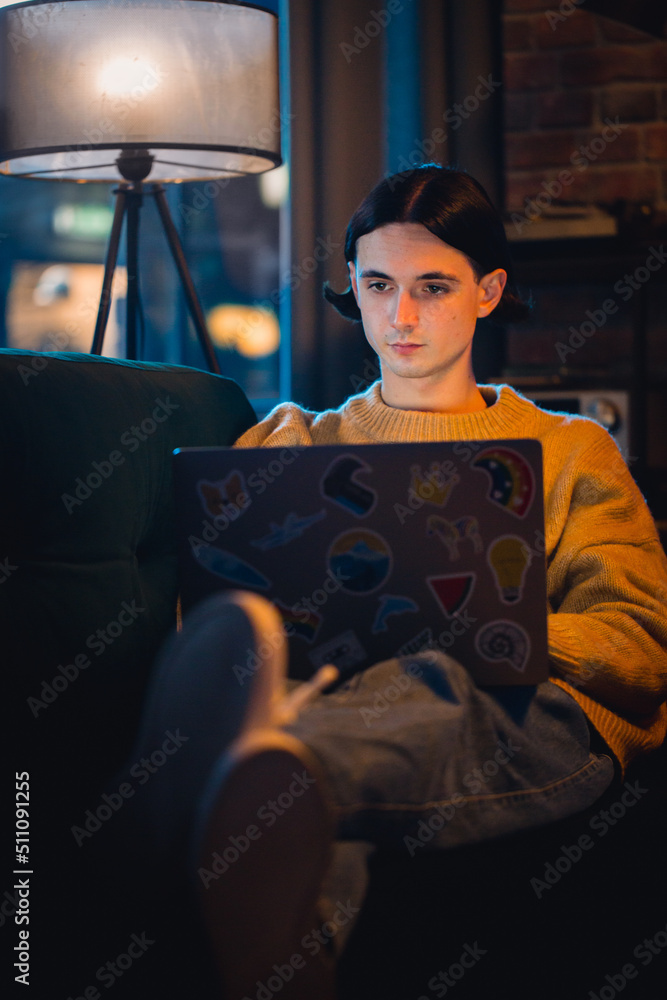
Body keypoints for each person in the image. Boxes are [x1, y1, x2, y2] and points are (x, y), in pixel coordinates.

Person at [135, 165, 667, 999]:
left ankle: (243, 769)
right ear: (351, 283)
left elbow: (635, 645)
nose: (402, 316)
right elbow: (213, 604)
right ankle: (278, 867)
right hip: (331, 690)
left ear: (488, 291)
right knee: (314, 765)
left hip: (531, 709)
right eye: (378, 284)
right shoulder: (293, 439)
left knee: (434, 678)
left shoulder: (570, 450)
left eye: (433, 286)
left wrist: (492, 627)